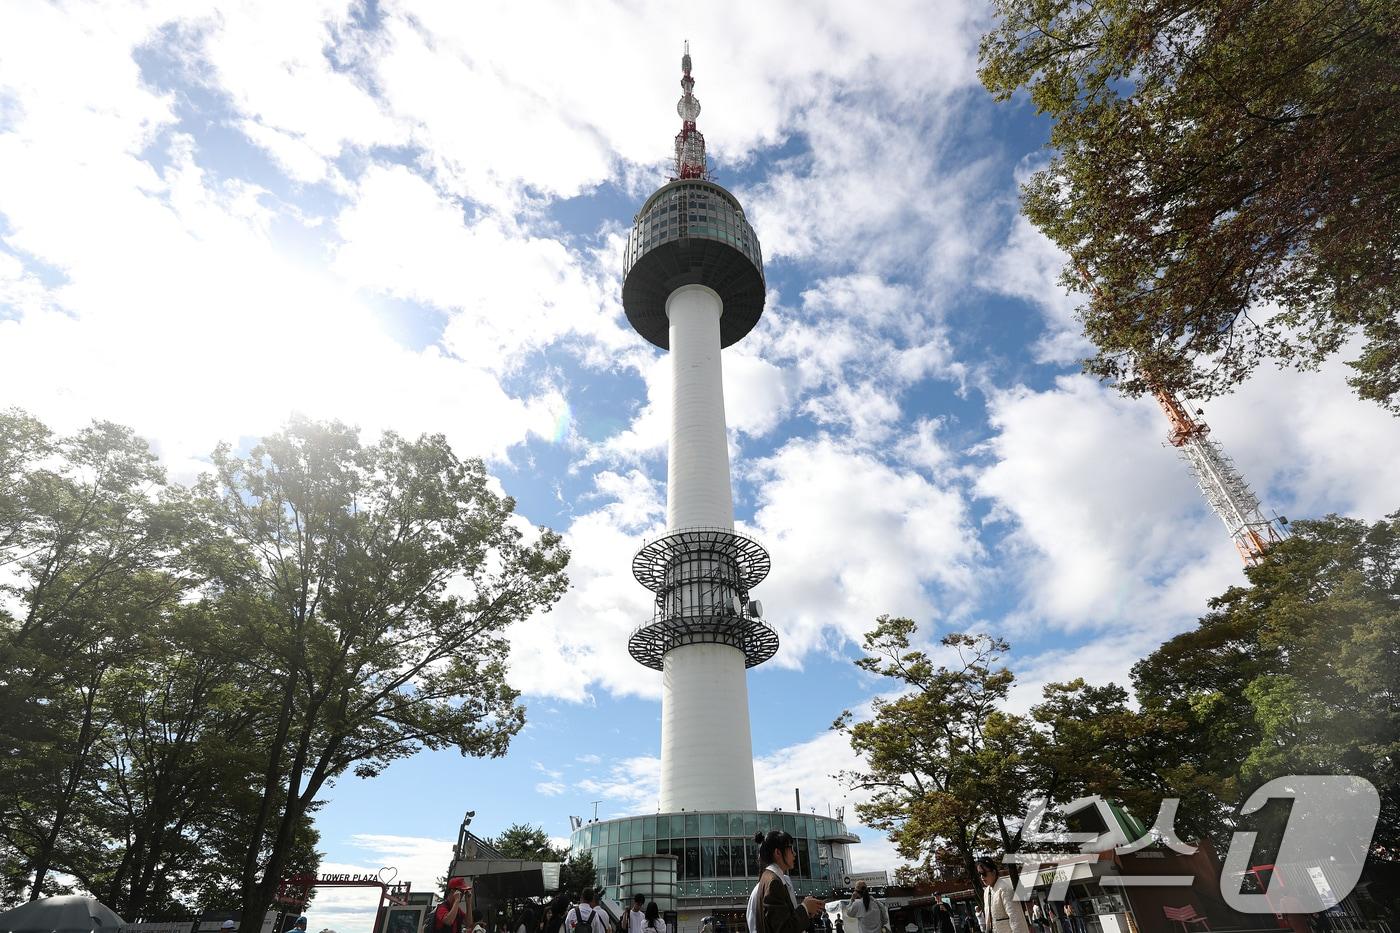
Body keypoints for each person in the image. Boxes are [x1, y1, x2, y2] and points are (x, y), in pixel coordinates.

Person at [747, 829, 825, 933]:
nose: (795, 854)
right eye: (791, 848)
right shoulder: (773, 882)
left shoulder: (771, 879)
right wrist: (805, 907)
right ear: (778, 852)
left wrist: (806, 911)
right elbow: (784, 929)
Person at [976, 858, 1029, 933]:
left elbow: (1016, 919)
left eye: (984, 873)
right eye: (979, 874)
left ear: (994, 872)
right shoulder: (987, 891)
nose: (982, 877)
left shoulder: (1005, 889)